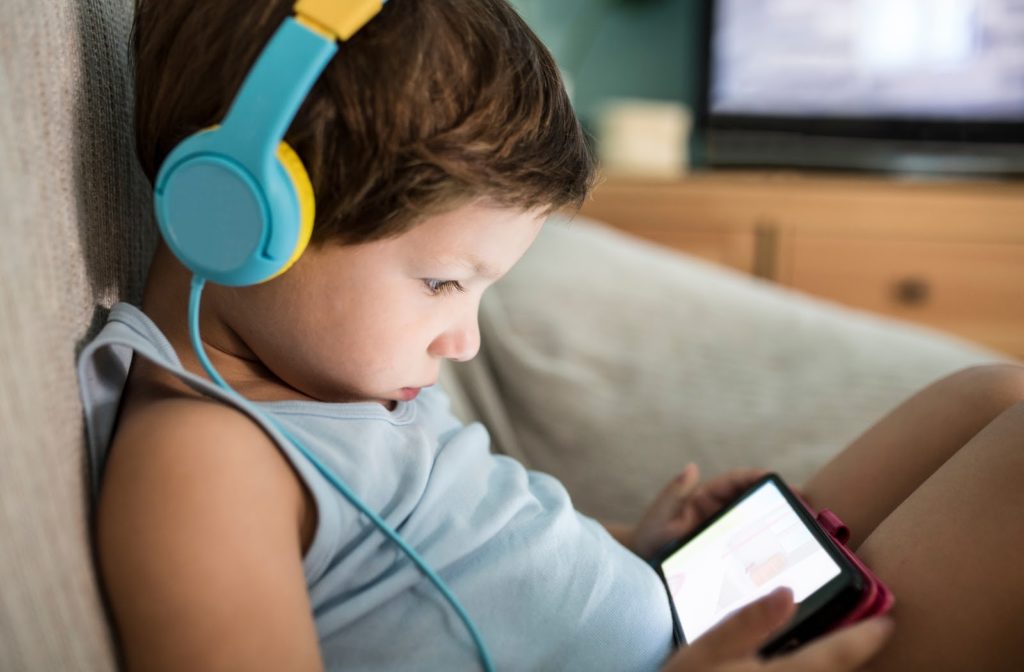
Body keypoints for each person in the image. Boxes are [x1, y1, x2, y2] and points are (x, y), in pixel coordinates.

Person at [78, 0, 1024, 670]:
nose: (465, 341)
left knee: (993, 394)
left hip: (679, 608)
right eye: (445, 281)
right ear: (235, 218)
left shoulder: (331, 373)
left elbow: (465, 554)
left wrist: (630, 544)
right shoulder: (204, 465)